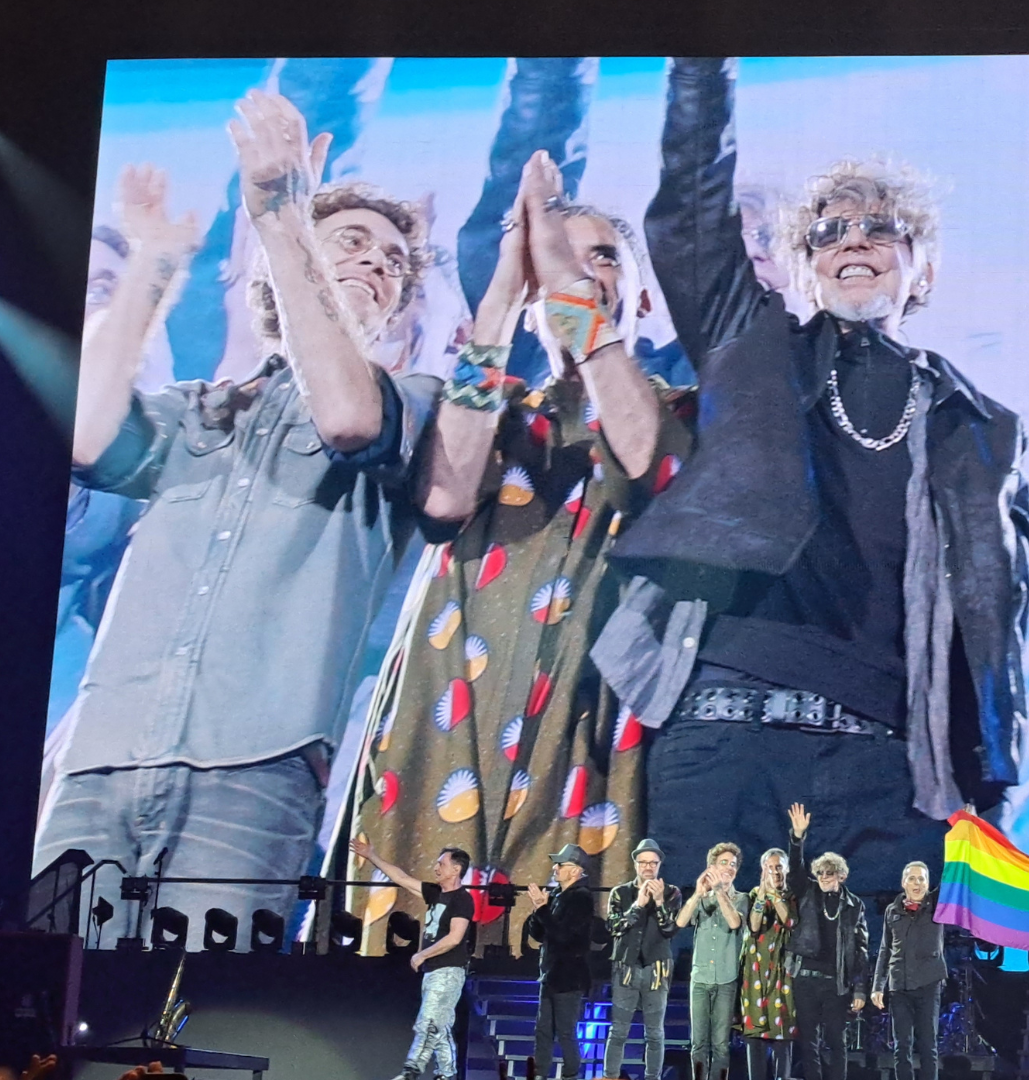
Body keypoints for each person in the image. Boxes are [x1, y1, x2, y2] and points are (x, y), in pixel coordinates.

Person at [591, 56, 1029, 891]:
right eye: (828, 231)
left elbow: (995, 624)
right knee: (700, 1010)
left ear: (924, 270)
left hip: (888, 774)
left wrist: (986, 790)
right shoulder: (752, 351)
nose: (853, 240)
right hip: (727, 743)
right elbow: (689, 219)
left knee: (876, 1018)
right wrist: (703, 65)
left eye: (880, 228)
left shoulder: (982, 428)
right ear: (802, 269)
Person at [36, 91, 441, 941]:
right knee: (42, 1000)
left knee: (199, 1006)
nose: (379, 261)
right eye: (354, 241)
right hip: (103, 755)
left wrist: (285, 216)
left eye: (397, 260)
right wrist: (151, 260)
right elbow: (84, 437)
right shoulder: (198, 410)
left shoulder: (407, 402)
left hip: (254, 767)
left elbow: (347, 419)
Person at [349, 146, 688, 952]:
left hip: (595, 742)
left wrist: (573, 296)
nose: (575, 270)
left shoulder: (689, 412)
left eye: (601, 255)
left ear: (640, 293)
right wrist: (505, 291)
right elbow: (444, 497)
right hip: (448, 727)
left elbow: (647, 466)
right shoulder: (496, 412)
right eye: (556, 257)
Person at [351, 839, 475, 1080]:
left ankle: (411, 1071)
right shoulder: (435, 893)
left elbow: (454, 938)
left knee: (428, 1022)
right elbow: (402, 879)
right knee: (440, 1025)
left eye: (441, 864)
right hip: (433, 971)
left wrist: (422, 954)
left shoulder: (462, 900)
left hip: (448, 970)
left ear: (456, 869)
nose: (436, 867)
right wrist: (372, 856)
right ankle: (447, 1074)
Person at [782, 804, 870, 1080]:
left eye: (829, 873)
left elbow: (861, 950)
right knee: (808, 1040)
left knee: (836, 1041)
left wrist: (859, 990)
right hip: (806, 978)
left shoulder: (854, 905)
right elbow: (794, 869)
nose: (823, 878)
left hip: (836, 982)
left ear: (841, 876)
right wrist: (797, 838)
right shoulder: (807, 891)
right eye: (820, 873)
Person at [605, 839, 683, 1080]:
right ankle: (610, 1076)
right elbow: (614, 927)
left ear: (659, 865)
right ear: (636, 864)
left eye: (653, 862)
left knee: (655, 1033)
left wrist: (658, 903)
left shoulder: (672, 893)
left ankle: (652, 1077)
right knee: (618, 1031)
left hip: (656, 969)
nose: (648, 867)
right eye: (643, 862)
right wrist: (638, 905)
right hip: (626, 967)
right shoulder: (620, 892)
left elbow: (670, 929)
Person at [525, 844, 598, 1080]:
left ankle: (570, 1075)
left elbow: (564, 934)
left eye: (561, 865)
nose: (555, 868)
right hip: (549, 973)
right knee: (543, 1030)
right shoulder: (556, 895)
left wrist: (543, 910)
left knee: (566, 1031)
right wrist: (538, 909)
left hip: (569, 977)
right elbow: (539, 934)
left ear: (576, 871)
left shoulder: (581, 898)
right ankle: (540, 1074)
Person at [871, 861, 946, 1080]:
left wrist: (958, 843)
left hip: (928, 983)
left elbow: (950, 878)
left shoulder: (936, 905)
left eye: (921, 879)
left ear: (928, 883)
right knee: (902, 1046)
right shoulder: (892, 911)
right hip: (899, 985)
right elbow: (885, 949)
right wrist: (877, 986)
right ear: (903, 883)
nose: (917, 883)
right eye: (912, 878)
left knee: (928, 1045)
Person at [677, 842, 746, 1080]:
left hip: (726, 979)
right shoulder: (702, 898)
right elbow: (681, 922)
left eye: (733, 864)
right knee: (698, 1042)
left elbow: (735, 923)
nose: (729, 868)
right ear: (712, 866)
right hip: (701, 978)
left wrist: (719, 891)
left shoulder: (742, 898)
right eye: (723, 863)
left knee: (721, 1044)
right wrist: (699, 892)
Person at [739, 848, 797, 1080]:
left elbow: (790, 921)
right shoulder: (754, 894)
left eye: (779, 867)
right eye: (770, 867)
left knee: (783, 1034)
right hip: (756, 973)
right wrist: (764, 894)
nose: (775, 872)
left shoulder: (794, 895)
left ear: (787, 869)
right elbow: (754, 925)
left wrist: (774, 895)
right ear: (762, 870)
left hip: (783, 972)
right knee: (755, 1035)